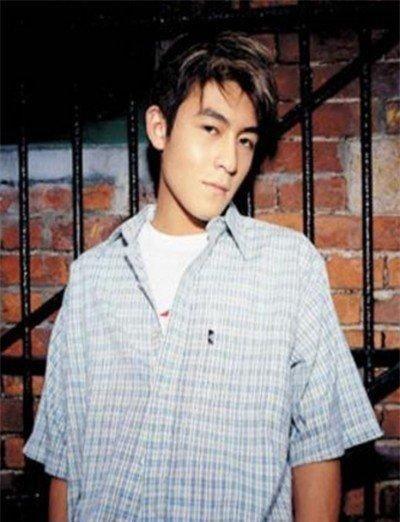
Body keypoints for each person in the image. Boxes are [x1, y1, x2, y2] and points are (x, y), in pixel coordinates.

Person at [23, 31, 383, 521]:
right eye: (211, 129)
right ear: (159, 128)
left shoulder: (288, 268)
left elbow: (317, 449)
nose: (230, 162)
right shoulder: (92, 279)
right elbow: (65, 467)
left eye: (245, 140)